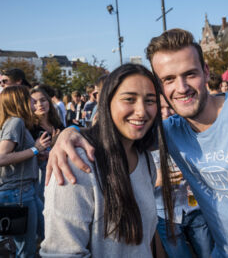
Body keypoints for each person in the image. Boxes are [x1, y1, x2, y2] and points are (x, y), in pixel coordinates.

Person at [46, 29, 228, 257]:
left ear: (206, 72)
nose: (182, 87)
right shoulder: (168, 131)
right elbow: (121, 128)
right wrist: (69, 135)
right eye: (169, 79)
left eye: (190, 74)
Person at [41, 64, 174, 257]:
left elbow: (148, 234)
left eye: (150, 101)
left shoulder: (144, 158)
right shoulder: (76, 164)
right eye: (129, 99)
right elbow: (63, 252)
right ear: (107, 102)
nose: (141, 111)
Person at [153, 95, 213, 257]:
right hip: (166, 215)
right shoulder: (142, 140)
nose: (166, 113)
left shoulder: (186, 131)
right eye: (161, 109)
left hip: (194, 207)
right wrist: (155, 180)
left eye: (169, 107)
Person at [0, 85, 51, 258]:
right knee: (26, 251)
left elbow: (17, 156)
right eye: (29, 98)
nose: (33, 101)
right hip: (18, 194)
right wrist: (35, 149)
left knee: (47, 235)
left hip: (25, 191)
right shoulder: (15, 122)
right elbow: (1, 159)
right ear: (20, 101)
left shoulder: (17, 122)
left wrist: (36, 155)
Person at [30, 87, 63, 202]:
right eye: (35, 102)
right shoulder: (30, 127)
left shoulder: (57, 124)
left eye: (43, 100)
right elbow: (36, 154)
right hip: (41, 178)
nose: (40, 104)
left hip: (60, 174)